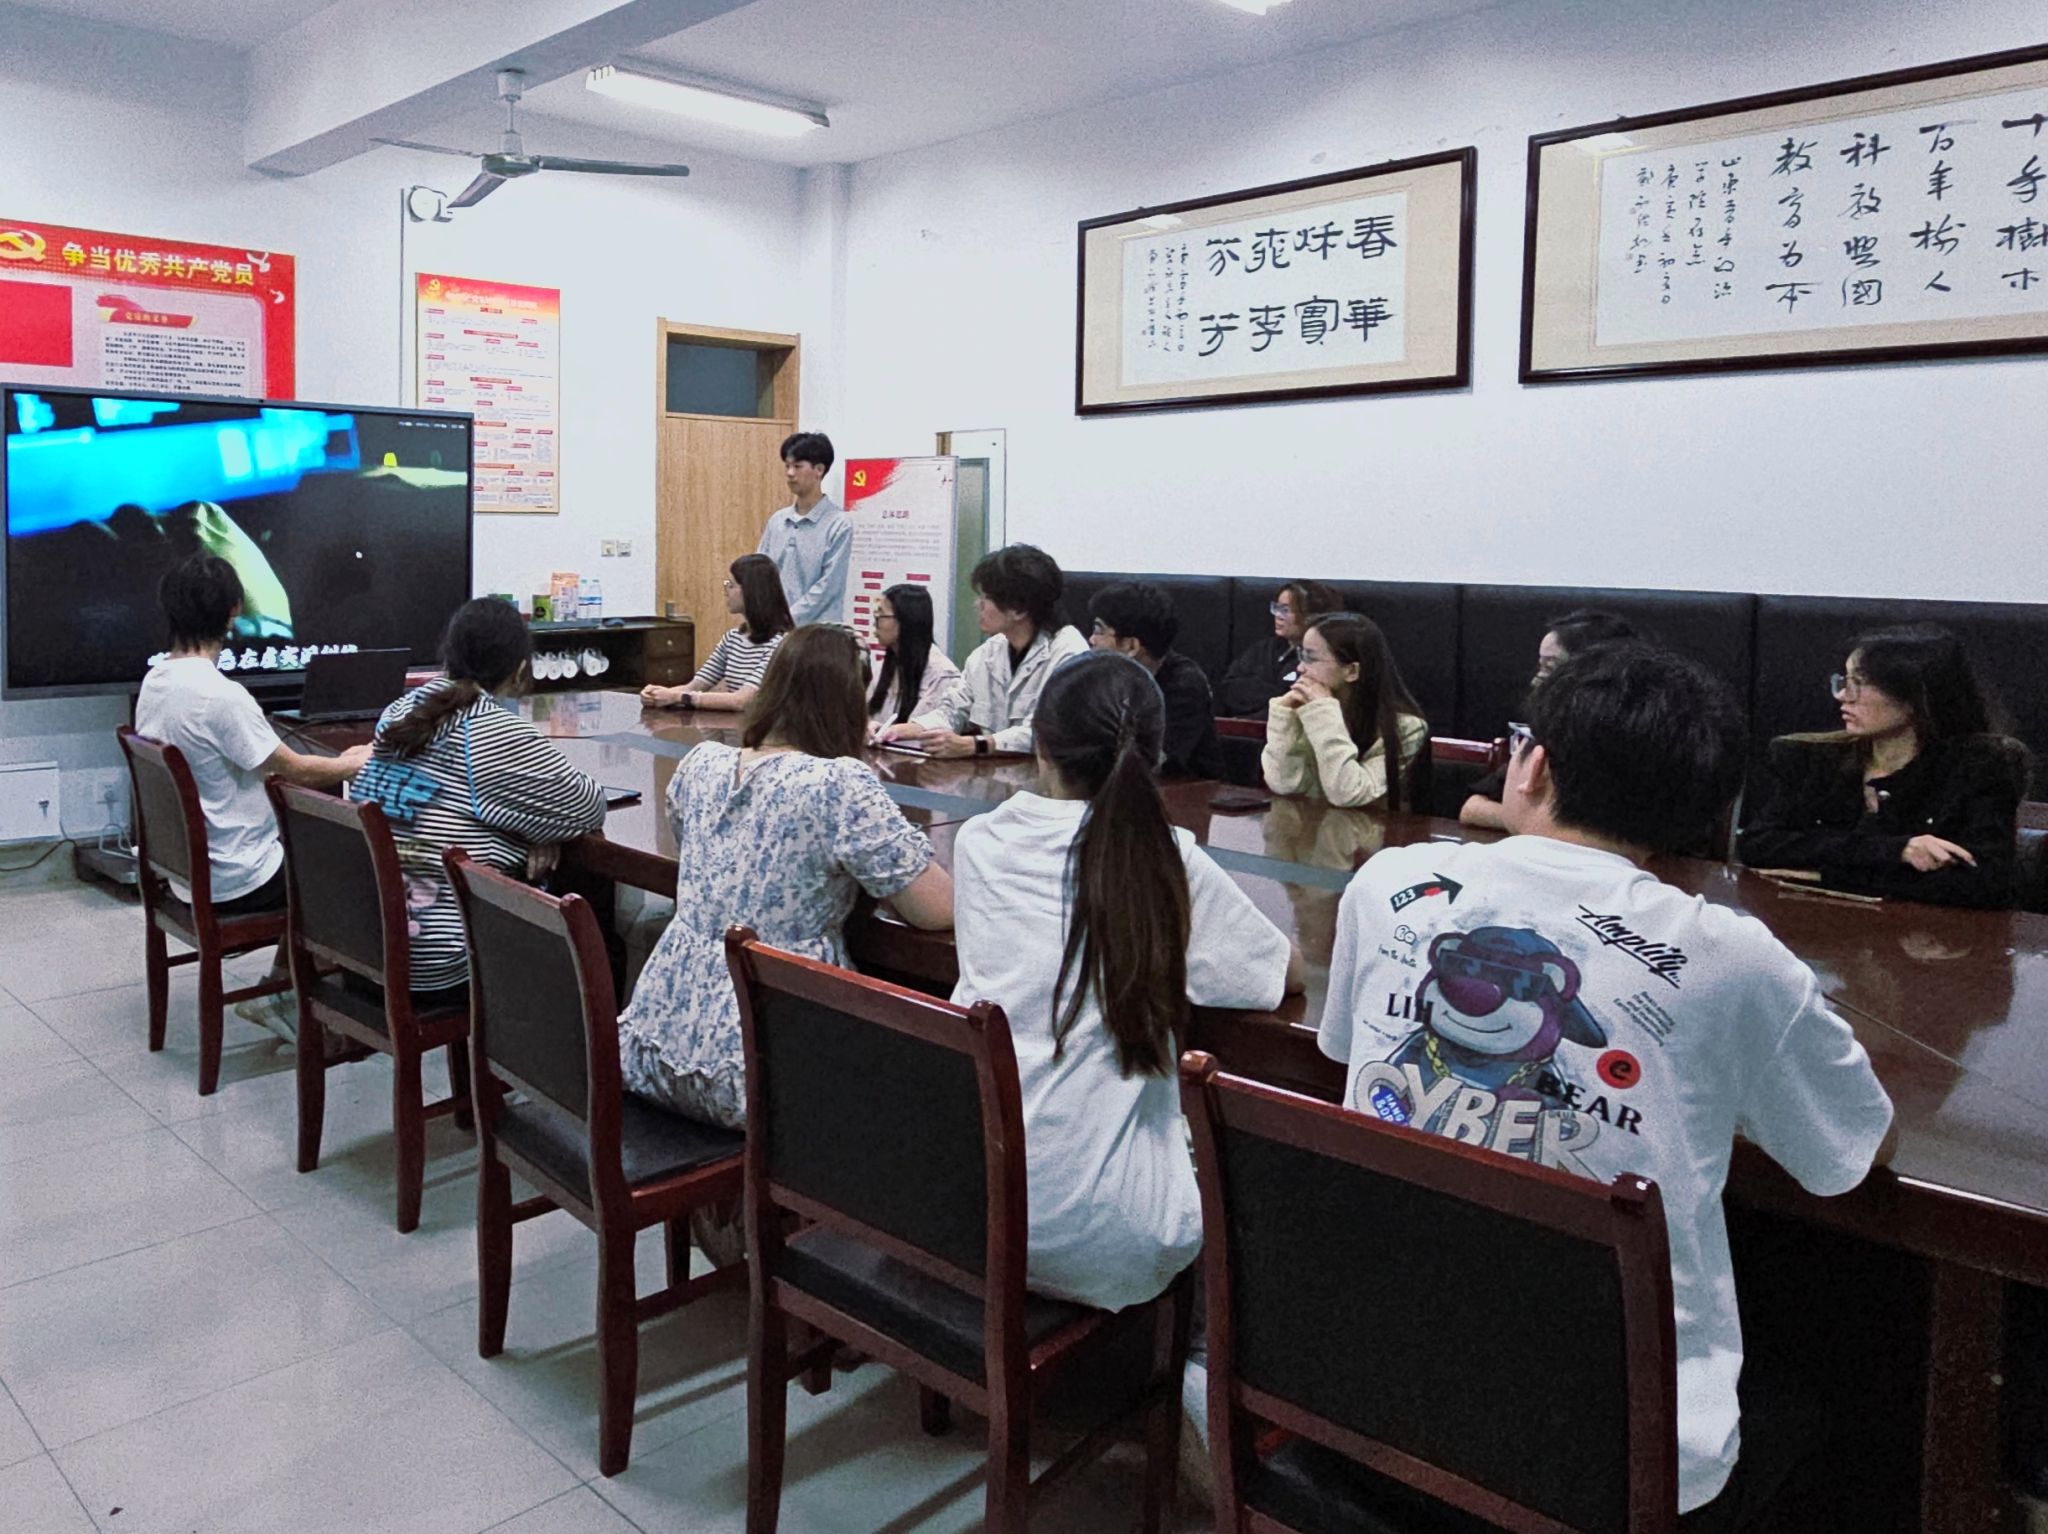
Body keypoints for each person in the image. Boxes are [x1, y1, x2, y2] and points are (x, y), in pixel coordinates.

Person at [1319, 642, 1895, 1528]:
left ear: (1533, 765)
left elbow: (1342, 1052)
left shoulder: (1391, 882)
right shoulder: (1732, 958)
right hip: (1606, 1464)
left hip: (1362, 1402)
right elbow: (1849, 1153)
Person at [950, 651, 1301, 1309]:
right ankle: (1203, 1352)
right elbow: (1280, 973)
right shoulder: (1166, 860)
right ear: (1155, 755)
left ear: (1041, 746)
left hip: (965, 1208)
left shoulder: (980, 843)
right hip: (1106, 1239)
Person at [618, 625, 954, 1132]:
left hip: (656, 1044)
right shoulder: (837, 784)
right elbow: (936, 910)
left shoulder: (700, 764)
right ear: (847, 704)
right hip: (761, 1065)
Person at [132, 554, 371, 1041]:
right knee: (353, 870)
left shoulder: (154, 681)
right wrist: (353, 761)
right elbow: (295, 769)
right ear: (233, 611)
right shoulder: (221, 697)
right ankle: (311, 1005)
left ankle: (283, 990)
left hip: (187, 872)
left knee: (319, 856)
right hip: (239, 876)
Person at [352, 598, 608, 993]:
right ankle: (592, 1028)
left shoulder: (398, 711)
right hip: (440, 964)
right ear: (520, 670)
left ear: (448, 656)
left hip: (366, 947)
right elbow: (588, 806)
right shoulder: (492, 732)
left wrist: (535, 830)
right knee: (593, 910)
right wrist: (538, 832)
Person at [1739, 624, 2027, 908]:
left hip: (1927, 933)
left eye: (1860, 683)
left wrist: (1828, 875)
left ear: (1915, 697)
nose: (1843, 695)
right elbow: (1759, 845)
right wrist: (1897, 851)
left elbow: (1984, 883)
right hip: (1815, 923)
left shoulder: (1982, 767)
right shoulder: (1809, 757)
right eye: (1845, 680)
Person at [876, 543, 1087, 758]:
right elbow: (953, 710)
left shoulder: (1069, 654)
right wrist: (898, 731)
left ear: (1018, 609)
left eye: (986, 598)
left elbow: (1043, 732)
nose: (978, 605)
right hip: (996, 772)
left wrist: (976, 745)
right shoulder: (988, 652)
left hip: (1040, 773)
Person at [1461, 608, 1639, 830]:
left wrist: (1530, 821)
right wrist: (1538, 825)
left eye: (1550, 667)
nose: (1537, 681)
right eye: (1540, 666)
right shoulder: (1549, 737)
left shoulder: (1638, 744)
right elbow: (1472, 807)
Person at [1261, 611, 1429, 810]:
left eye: (1310, 658)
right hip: (1317, 825)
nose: (1300, 668)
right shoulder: (1309, 711)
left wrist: (1324, 713)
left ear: (1351, 671)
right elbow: (1284, 785)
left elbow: (1347, 793)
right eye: (1301, 655)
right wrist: (1284, 718)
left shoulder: (1407, 728)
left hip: (1374, 828)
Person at [1086, 581, 1224, 780]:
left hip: (1186, 791)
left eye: (1100, 631)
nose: (1091, 640)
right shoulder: (1103, 676)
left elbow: (1152, 761)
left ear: (1131, 646)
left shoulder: (1185, 685)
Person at [640, 554, 792, 711]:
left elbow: (741, 701)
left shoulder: (781, 645)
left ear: (752, 591)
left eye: (731, 585)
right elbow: (693, 686)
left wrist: (678, 697)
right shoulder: (732, 638)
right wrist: (657, 694)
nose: (726, 591)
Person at [755, 430, 850, 626]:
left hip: (818, 633)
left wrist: (787, 618)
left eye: (797, 466)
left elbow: (828, 587)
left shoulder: (839, 524)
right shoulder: (778, 520)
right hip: (774, 629)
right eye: (787, 466)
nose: (790, 473)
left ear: (819, 470)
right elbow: (759, 572)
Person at [1214, 579, 1343, 718]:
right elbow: (1229, 689)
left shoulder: (1321, 659)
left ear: (1310, 615)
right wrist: (1278, 695)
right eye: (1277, 608)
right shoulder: (1263, 649)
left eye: (1286, 610)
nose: (1278, 616)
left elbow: (1296, 704)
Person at [866, 582, 966, 733]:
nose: (875, 622)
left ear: (906, 620)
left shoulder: (942, 675)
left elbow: (936, 732)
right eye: (876, 615)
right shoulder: (881, 668)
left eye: (881, 615)